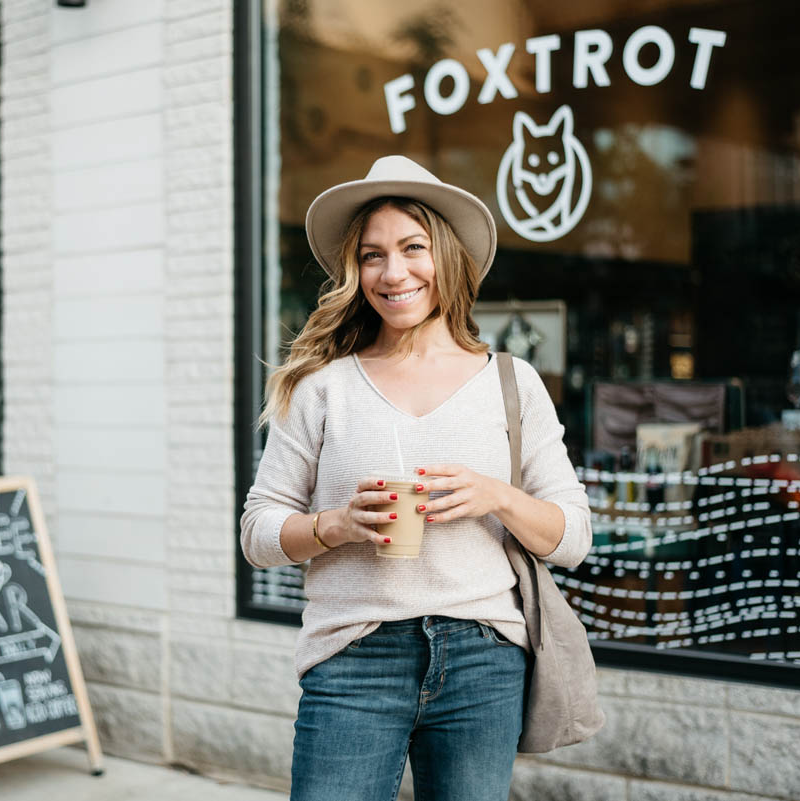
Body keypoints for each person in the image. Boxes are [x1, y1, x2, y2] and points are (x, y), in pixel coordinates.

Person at [240, 155, 592, 801]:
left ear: (448, 258)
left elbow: (572, 538)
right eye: (372, 255)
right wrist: (335, 525)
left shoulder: (512, 383)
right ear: (355, 270)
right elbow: (259, 534)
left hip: (485, 658)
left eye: (412, 248)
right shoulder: (321, 386)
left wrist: (499, 496)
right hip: (353, 656)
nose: (393, 272)